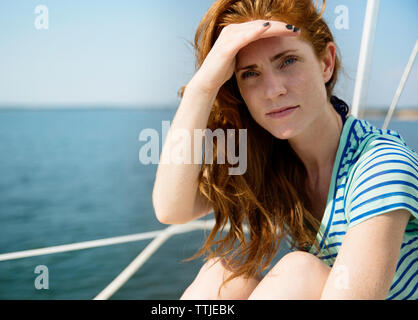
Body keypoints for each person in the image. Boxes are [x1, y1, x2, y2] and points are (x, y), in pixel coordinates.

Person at [152, 0, 417, 300]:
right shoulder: (274, 161)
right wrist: (202, 86)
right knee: (222, 278)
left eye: (287, 61)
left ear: (326, 63)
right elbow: (172, 208)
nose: (272, 90)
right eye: (250, 74)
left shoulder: (380, 166)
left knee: (297, 273)